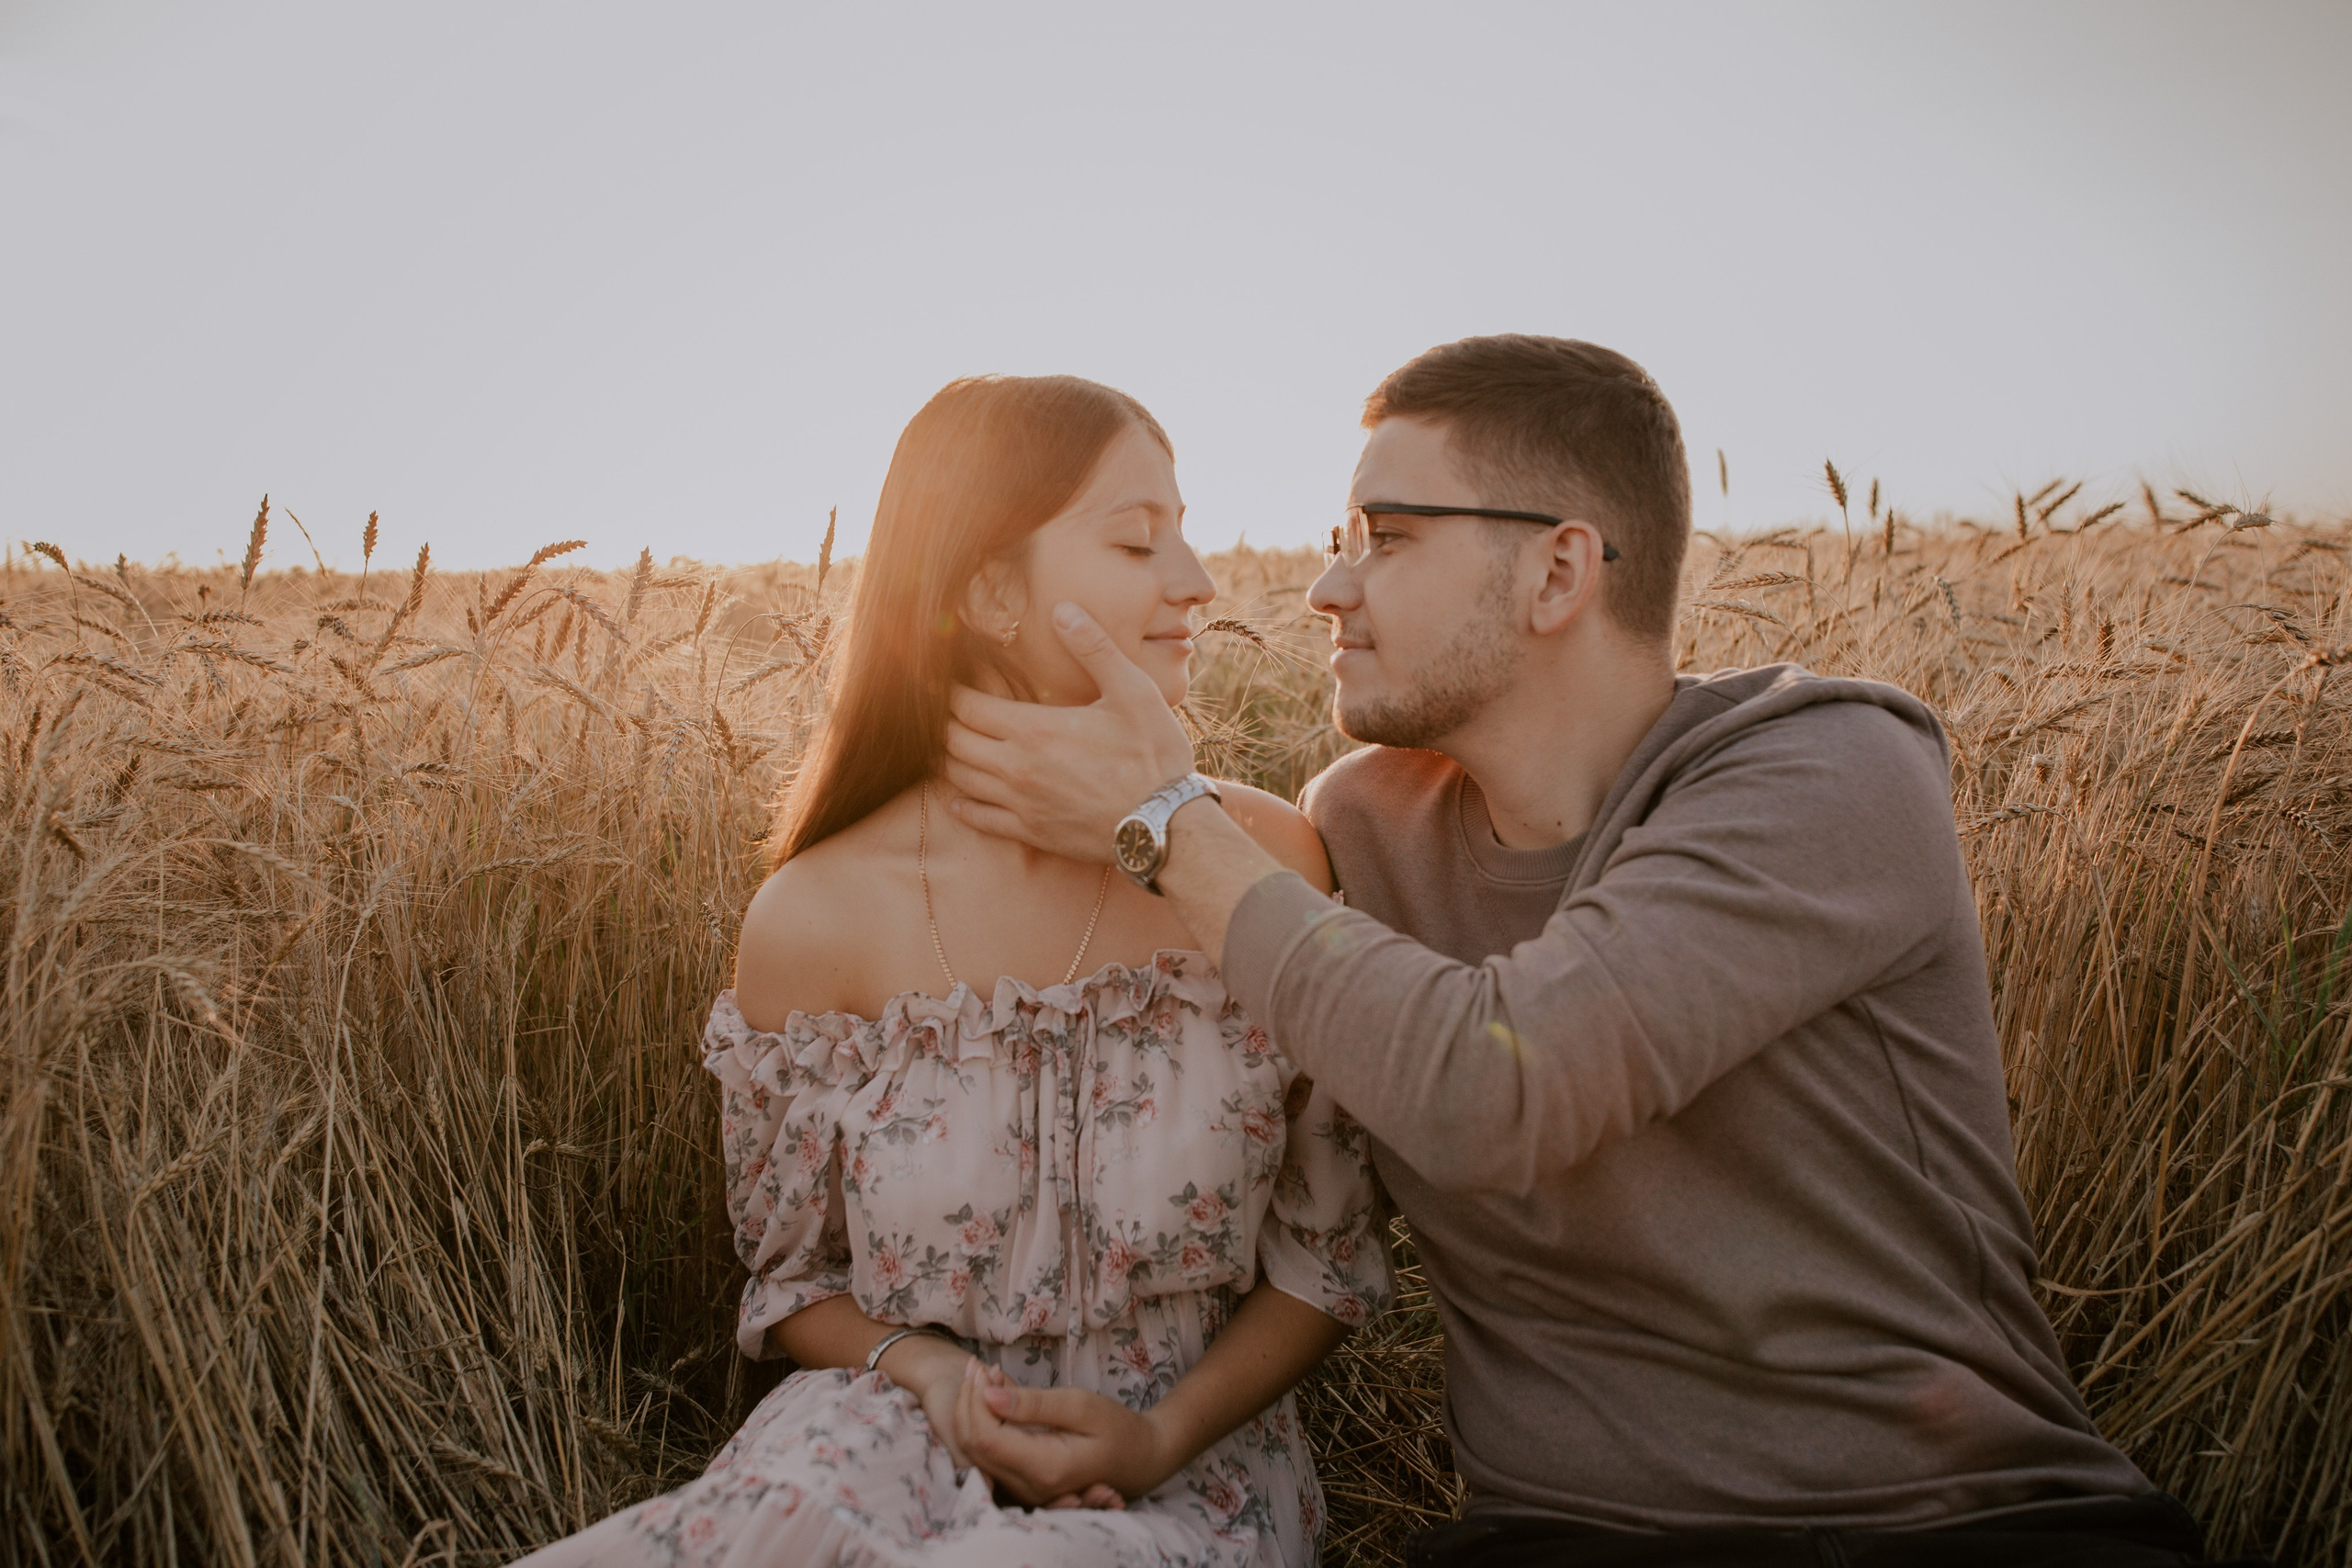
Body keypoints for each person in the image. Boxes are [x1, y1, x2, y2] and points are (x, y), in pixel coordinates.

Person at [941, 337, 2256, 1566]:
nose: (1324, 584)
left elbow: (1494, 1093)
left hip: (1943, 1523)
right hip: (1558, 1539)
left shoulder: (1833, 772)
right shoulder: (1362, 827)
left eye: (1387, 538)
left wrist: (1165, 822)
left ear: (1560, 570)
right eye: (1343, 538)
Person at [514, 376, 1391, 1568]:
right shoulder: (814, 914)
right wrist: (925, 1369)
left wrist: (1154, 1437)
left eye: (1182, 530)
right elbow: (797, 1282)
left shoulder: (1255, 862)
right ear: (987, 590)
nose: (1197, 579)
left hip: (1184, 1459)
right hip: (884, 1432)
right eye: (1140, 538)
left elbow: (1324, 1262)